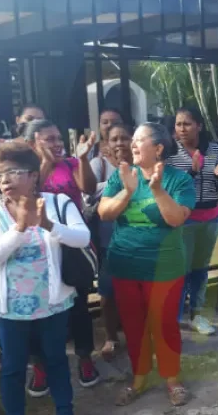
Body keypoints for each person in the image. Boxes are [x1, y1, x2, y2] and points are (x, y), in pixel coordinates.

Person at [0, 141, 92, 415]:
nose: (4, 180)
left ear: (33, 174)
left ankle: (64, 409)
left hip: (53, 303)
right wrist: (19, 229)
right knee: (12, 368)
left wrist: (48, 225)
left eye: (12, 172)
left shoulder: (57, 203)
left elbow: (83, 237)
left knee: (56, 360)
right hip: (10, 309)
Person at [98, 123, 196, 407]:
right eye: (134, 140)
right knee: (133, 325)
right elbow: (104, 212)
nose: (133, 145)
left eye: (140, 140)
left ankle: (172, 380)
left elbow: (176, 218)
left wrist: (157, 191)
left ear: (159, 148)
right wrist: (127, 192)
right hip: (125, 266)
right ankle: (139, 378)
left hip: (164, 268)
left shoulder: (179, 180)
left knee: (164, 325)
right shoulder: (122, 176)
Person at [20, 119, 101, 394]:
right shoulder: (23, 172)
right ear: (32, 144)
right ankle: (40, 366)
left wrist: (82, 158)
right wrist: (44, 164)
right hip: (34, 249)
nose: (57, 144)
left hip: (69, 245)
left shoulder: (71, 164)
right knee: (33, 309)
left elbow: (89, 189)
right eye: (49, 139)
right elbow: (29, 194)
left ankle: (85, 358)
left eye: (58, 138)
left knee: (78, 306)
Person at [166, 107, 218, 335]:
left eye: (187, 124)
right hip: (185, 219)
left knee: (200, 269)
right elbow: (170, 187)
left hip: (211, 217)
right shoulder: (171, 152)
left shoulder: (213, 149)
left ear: (199, 126)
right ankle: (174, 319)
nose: (182, 129)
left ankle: (197, 314)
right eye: (178, 124)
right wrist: (192, 173)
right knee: (181, 270)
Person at [87, 123, 133, 360]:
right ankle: (111, 337)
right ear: (106, 143)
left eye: (124, 138)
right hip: (109, 241)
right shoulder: (100, 167)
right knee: (108, 293)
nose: (119, 143)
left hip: (138, 243)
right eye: (114, 139)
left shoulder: (142, 166)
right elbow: (86, 191)